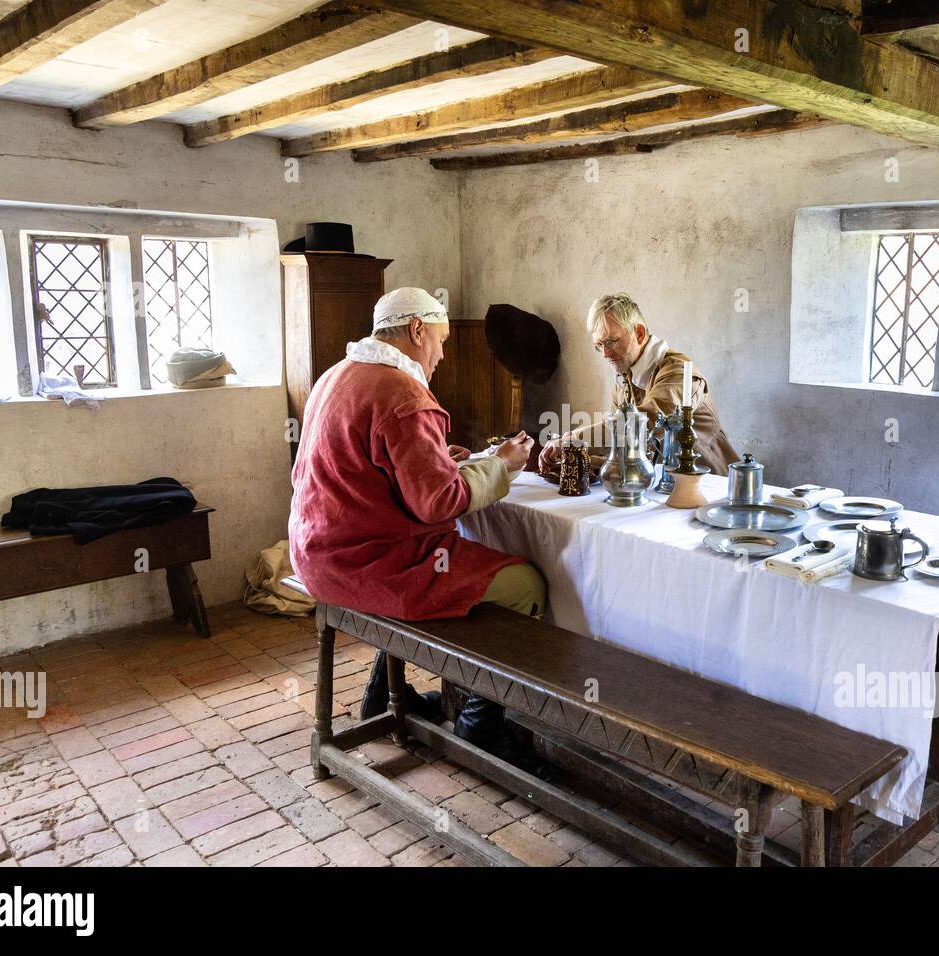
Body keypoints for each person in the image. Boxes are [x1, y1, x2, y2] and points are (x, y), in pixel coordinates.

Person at [288, 286, 545, 769]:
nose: (442, 355)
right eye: (441, 341)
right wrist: (503, 466)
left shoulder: (336, 376)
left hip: (316, 552)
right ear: (417, 330)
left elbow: (367, 471)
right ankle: (479, 722)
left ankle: (383, 693)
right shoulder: (403, 392)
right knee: (525, 584)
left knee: (471, 567)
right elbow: (439, 503)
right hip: (366, 566)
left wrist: (435, 462)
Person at [538, 293, 737, 477]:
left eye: (611, 342)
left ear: (639, 333)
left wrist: (573, 440)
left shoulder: (678, 373)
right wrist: (577, 458)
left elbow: (642, 424)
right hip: (658, 485)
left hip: (709, 488)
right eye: (599, 346)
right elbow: (621, 445)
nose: (605, 354)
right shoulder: (624, 377)